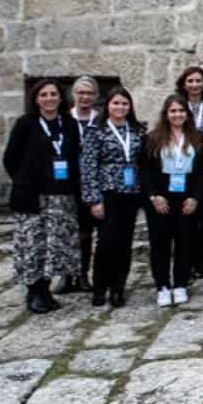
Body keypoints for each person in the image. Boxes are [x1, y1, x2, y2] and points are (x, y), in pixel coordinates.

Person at [4, 79, 83, 313]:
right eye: (44, 94)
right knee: (33, 243)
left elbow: (73, 156)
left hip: (61, 195)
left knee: (55, 244)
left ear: (61, 98)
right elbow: (10, 158)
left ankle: (46, 287)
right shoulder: (25, 124)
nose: (49, 98)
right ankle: (34, 291)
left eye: (53, 94)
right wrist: (24, 181)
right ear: (36, 99)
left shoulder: (69, 124)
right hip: (32, 196)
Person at [80, 86, 145, 307]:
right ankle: (100, 287)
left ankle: (118, 288)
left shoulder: (137, 130)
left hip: (130, 193)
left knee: (124, 243)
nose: (120, 107)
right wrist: (93, 199)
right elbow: (88, 167)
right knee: (106, 242)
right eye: (116, 103)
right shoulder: (96, 131)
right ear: (107, 105)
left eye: (124, 103)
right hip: (107, 193)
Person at [141, 94, 203, 307]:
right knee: (160, 243)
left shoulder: (197, 138)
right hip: (161, 198)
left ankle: (180, 284)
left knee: (185, 243)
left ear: (187, 114)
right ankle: (162, 286)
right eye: (173, 111)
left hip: (186, 198)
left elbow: (201, 173)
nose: (177, 115)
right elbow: (146, 171)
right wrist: (153, 196)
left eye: (181, 111)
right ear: (166, 114)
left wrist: (195, 197)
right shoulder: (152, 138)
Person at [61, 75, 100, 294]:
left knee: (85, 231)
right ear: (73, 95)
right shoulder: (64, 119)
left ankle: (83, 273)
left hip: (92, 182)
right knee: (66, 230)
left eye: (89, 93)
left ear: (95, 96)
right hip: (68, 183)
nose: (85, 97)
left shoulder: (100, 120)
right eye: (80, 93)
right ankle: (67, 274)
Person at [176, 66, 203, 133]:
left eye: (198, 81)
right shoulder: (178, 107)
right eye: (190, 81)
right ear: (183, 85)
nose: (194, 85)